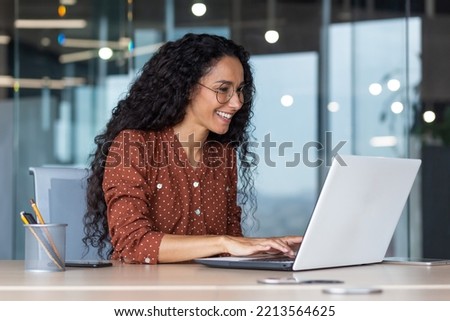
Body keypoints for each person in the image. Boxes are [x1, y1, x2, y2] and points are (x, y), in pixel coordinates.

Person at [83, 33, 302, 264]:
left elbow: (230, 249)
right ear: (187, 88)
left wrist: (271, 248)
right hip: (146, 293)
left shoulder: (223, 155)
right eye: (223, 89)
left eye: (239, 90)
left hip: (210, 292)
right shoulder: (133, 146)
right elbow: (133, 244)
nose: (237, 102)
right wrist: (223, 242)